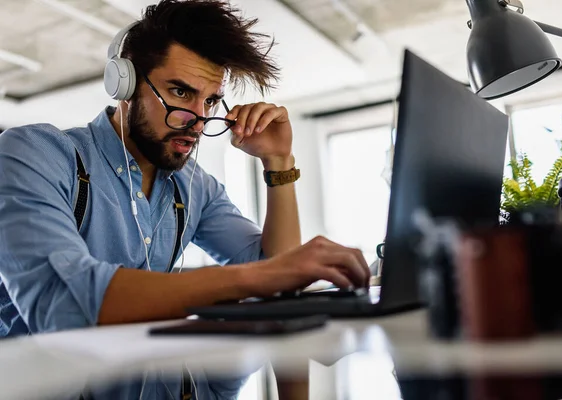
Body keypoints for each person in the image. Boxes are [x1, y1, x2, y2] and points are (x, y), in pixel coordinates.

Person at [0, 0, 370, 398]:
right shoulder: (33, 154)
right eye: (181, 92)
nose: (199, 119)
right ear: (124, 84)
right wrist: (268, 276)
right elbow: (65, 306)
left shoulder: (194, 186)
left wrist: (278, 162)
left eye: (211, 100)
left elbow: (275, 278)